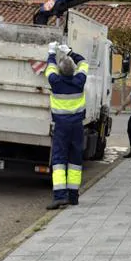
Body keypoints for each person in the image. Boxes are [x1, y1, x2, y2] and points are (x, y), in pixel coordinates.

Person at [44, 41, 89, 210]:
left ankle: (59, 196)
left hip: (61, 126)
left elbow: (50, 67)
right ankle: (73, 196)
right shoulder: (80, 80)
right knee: (75, 159)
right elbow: (84, 63)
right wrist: (70, 52)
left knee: (58, 160)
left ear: (60, 71)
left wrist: (51, 52)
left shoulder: (55, 81)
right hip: (77, 125)